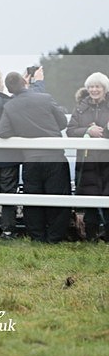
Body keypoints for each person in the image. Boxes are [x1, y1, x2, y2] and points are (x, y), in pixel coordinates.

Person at [0, 72, 70, 243]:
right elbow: (62, 123)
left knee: (33, 200)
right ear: (25, 81)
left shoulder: (10, 106)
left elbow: (3, 132)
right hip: (54, 157)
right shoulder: (45, 98)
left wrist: (22, 129)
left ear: (8, 89)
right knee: (58, 199)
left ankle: (38, 237)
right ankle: (54, 237)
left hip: (31, 160)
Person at [66, 72, 109, 242]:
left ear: (104, 89)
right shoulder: (80, 107)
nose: (94, 90)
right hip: (87, 161)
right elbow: (70, 131)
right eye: (91, 87)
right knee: (90, 201)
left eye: (97, 86)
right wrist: (87, 131)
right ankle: (90, 238)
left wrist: (105, 131)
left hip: (106, 162)